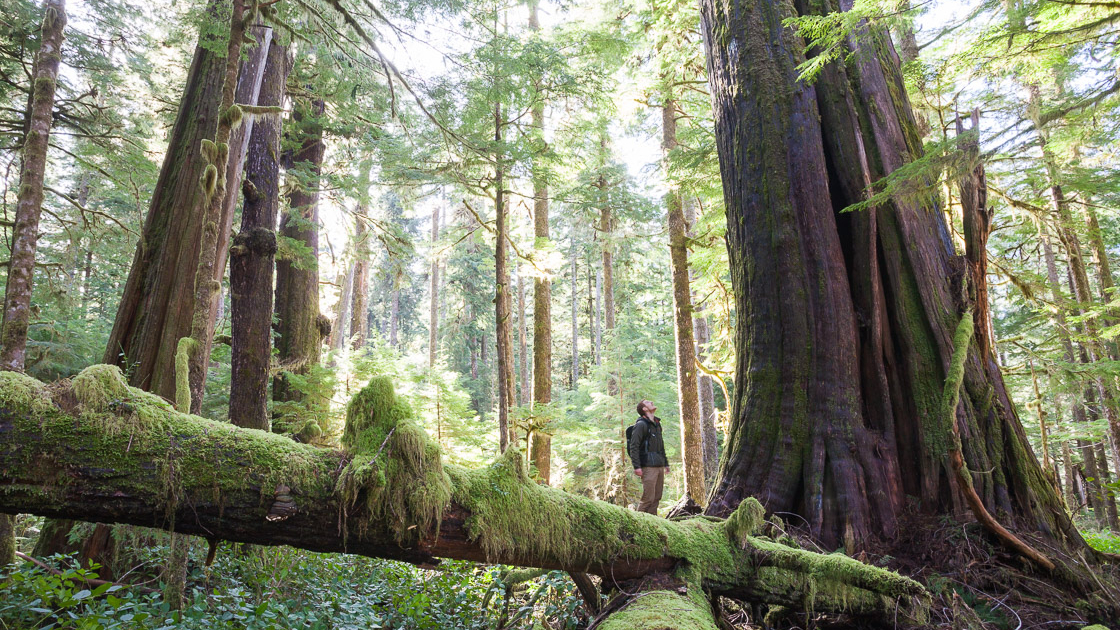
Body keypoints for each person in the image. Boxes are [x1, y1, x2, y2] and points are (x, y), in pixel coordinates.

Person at [629, 399, 669, 515]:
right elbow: (634, 446)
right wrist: (637, 466)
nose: (651, 402)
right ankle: (638, 523)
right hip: (648, 466)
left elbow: (660, 445)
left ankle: (653, 524)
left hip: (659, 465)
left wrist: (665, 463)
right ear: (644, 409)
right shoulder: (641, 425)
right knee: (648, 498)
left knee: (657, 497)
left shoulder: (657, 424)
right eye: (647, 402)